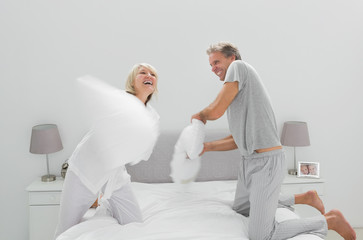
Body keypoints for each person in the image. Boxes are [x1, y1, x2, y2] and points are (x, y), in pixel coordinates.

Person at [192, 42, 356, 240]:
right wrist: (206, 147)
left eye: (216, 61)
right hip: (248, 161)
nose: (213, 68)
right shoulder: (238, 94)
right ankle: (304, 197)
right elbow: (237, 141)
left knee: (261, 235)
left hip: (266, 162)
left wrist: (199, 116)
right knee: (242, 208)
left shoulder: (239, 68)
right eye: (210, 65)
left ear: (232, 58)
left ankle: (330, 221)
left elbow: (215, 111)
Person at [54, 63, 160, 239]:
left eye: (153, 74)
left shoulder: (152, 117)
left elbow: (143, 152)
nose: (149, 76)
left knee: (135, 223)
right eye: (143, 73)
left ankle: (105, 206)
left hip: (115, 176)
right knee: (65, 230)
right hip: (84, 172)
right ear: (133, 81)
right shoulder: (119, 101)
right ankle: (101, 203)